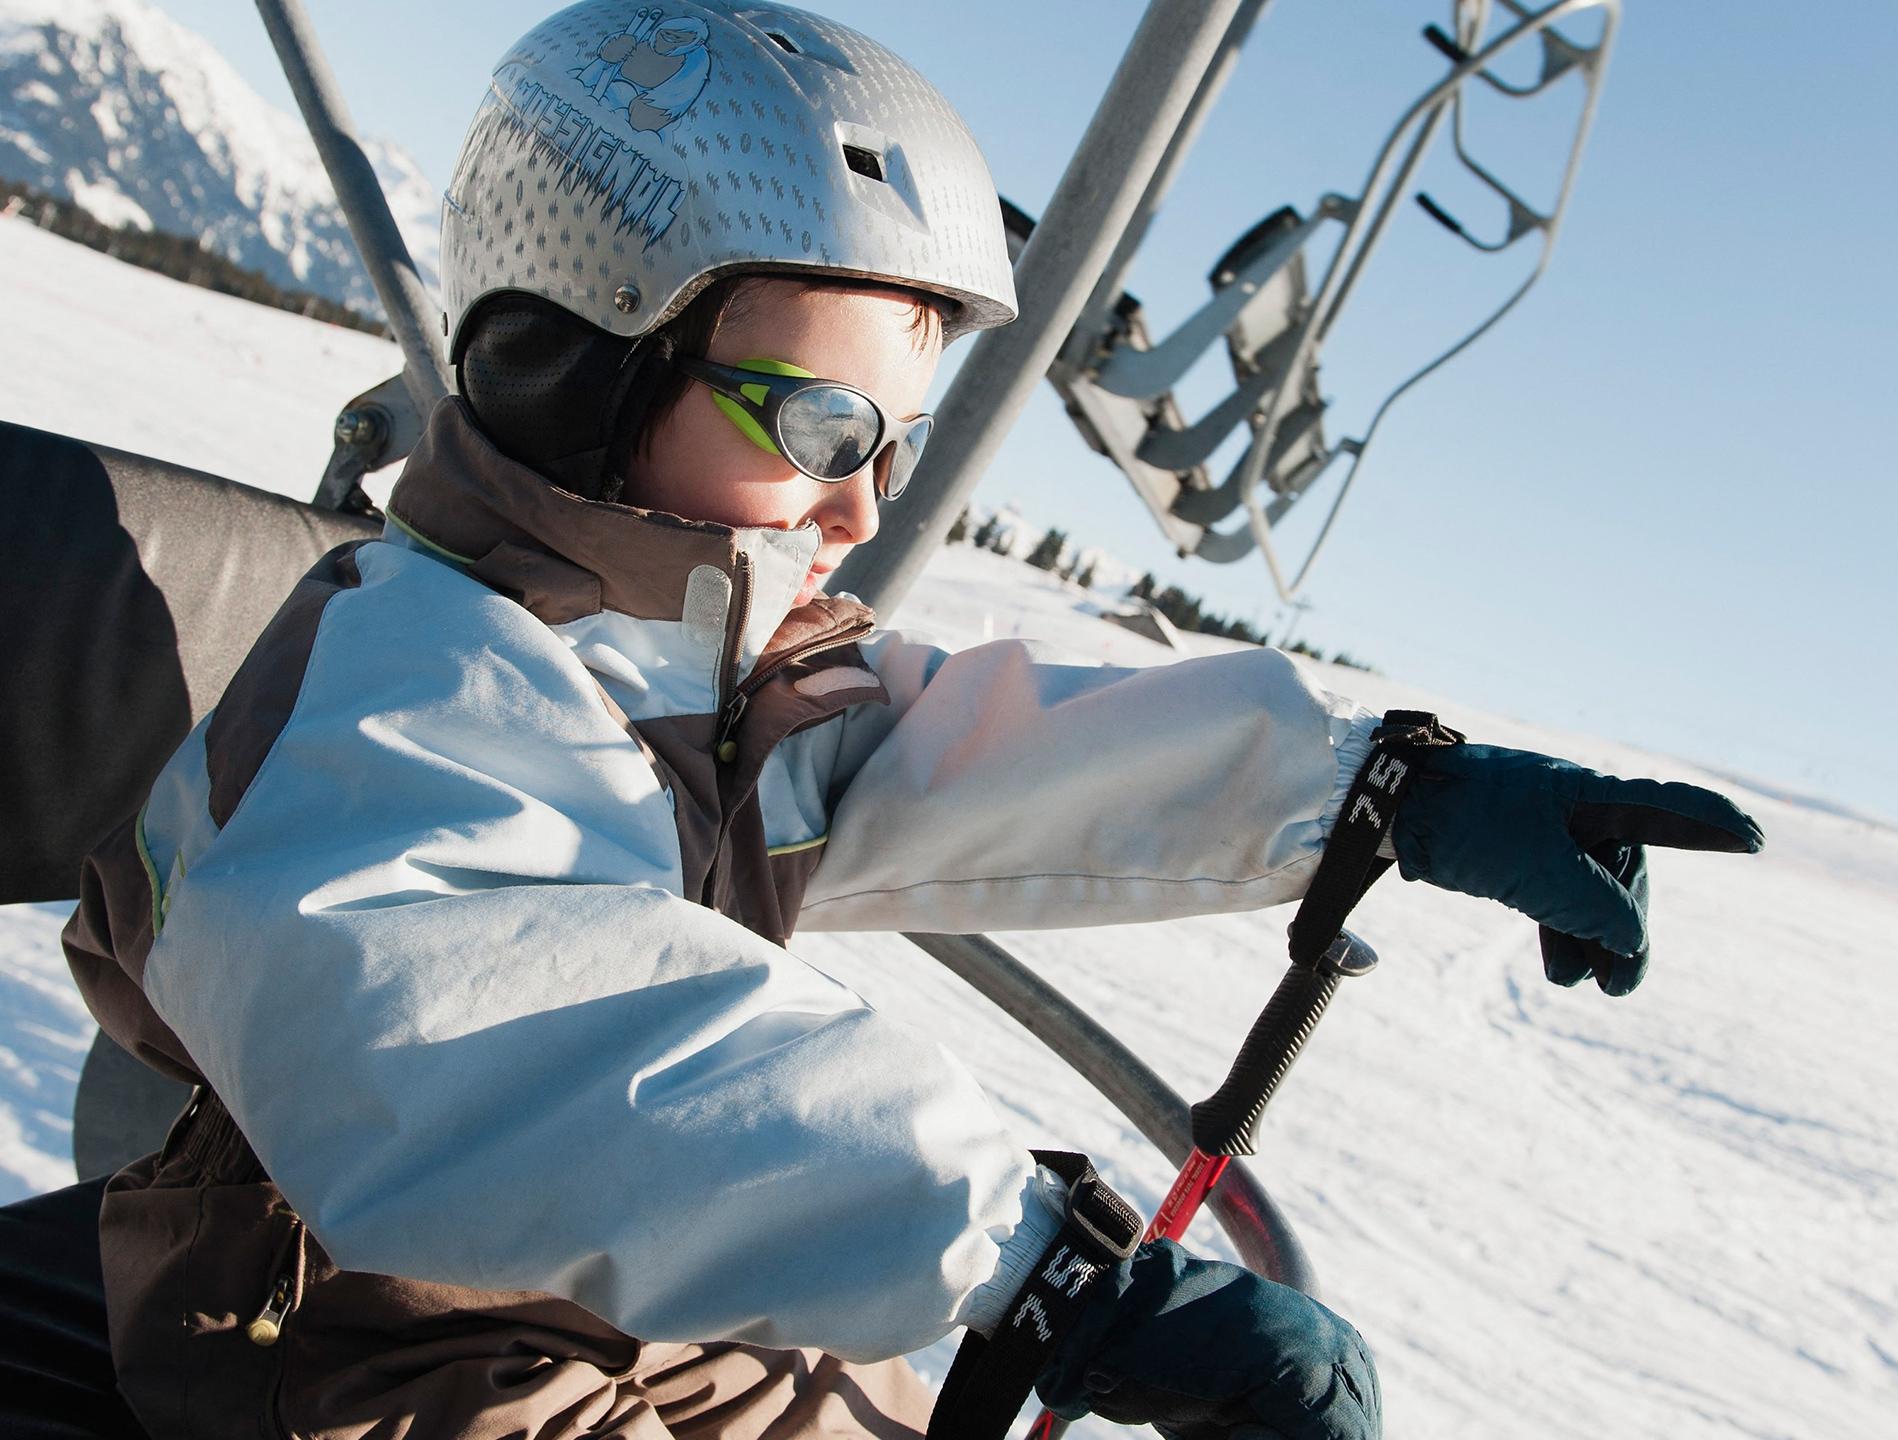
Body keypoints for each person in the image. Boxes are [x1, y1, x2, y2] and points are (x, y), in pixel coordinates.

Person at [21, 4, 1761, 1439]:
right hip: (350, 1348)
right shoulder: (396, 678)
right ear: (574, 359)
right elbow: (551, 1057)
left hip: (603, 1312)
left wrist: (1365, 792)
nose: (859, 511)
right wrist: (1035, 1263)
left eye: (895, 449)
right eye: (826, 426)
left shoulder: (695, 662)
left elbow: (953, 750)